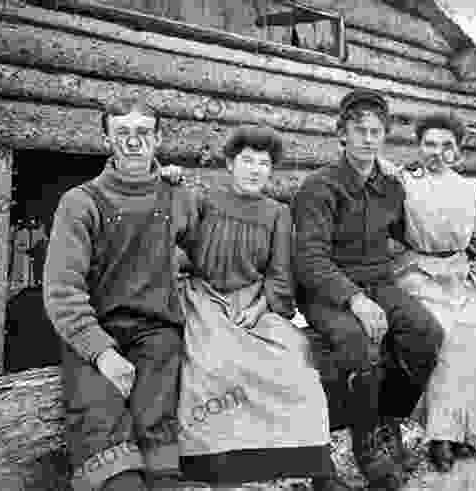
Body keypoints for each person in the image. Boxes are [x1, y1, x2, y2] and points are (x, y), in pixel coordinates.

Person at [292, 89, 446, 490]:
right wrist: (355, 300)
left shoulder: (390, 187)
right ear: (341, 135)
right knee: (356, 342)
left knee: (426, 334)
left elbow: (409, 233)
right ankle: (365, 443)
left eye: (376, 132)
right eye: (358, 131)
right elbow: (309, 260)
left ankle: (388, 419)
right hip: (327, 290)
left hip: (380, 282)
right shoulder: (319, 188)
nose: (368, 139)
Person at [43, 97, 200, 491]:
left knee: (158, 425)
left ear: (159, 139)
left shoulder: (177, 197)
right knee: (99, 420)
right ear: (106, 139)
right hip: (95, 331)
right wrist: (102, 352)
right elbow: (62, 289)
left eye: (143, 133)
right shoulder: (80, 202)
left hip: (156, 332)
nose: (133, 142)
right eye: (122, 133)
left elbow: (212, 249)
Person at [174, 126, 337, 489]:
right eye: (247, 161)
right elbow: (176, 242)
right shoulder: (205, 200)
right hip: (206, 298)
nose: (255, 170)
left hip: (256, 301)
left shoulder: (278, 213)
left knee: (295, 357)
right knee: (214, 363)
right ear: (230, 164)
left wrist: (261, 306)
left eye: (263, 164)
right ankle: (217, 464)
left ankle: (309, 460)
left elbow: (280, 272)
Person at [391, 112, 476, 472]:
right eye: (429, 144)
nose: (437, 152)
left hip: (462, 276)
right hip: (420, 275)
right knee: (445, 343)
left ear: (458, 151)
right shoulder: (404, 183)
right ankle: (441, 437)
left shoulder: (469, 187)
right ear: (418, 147)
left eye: (447, 146)